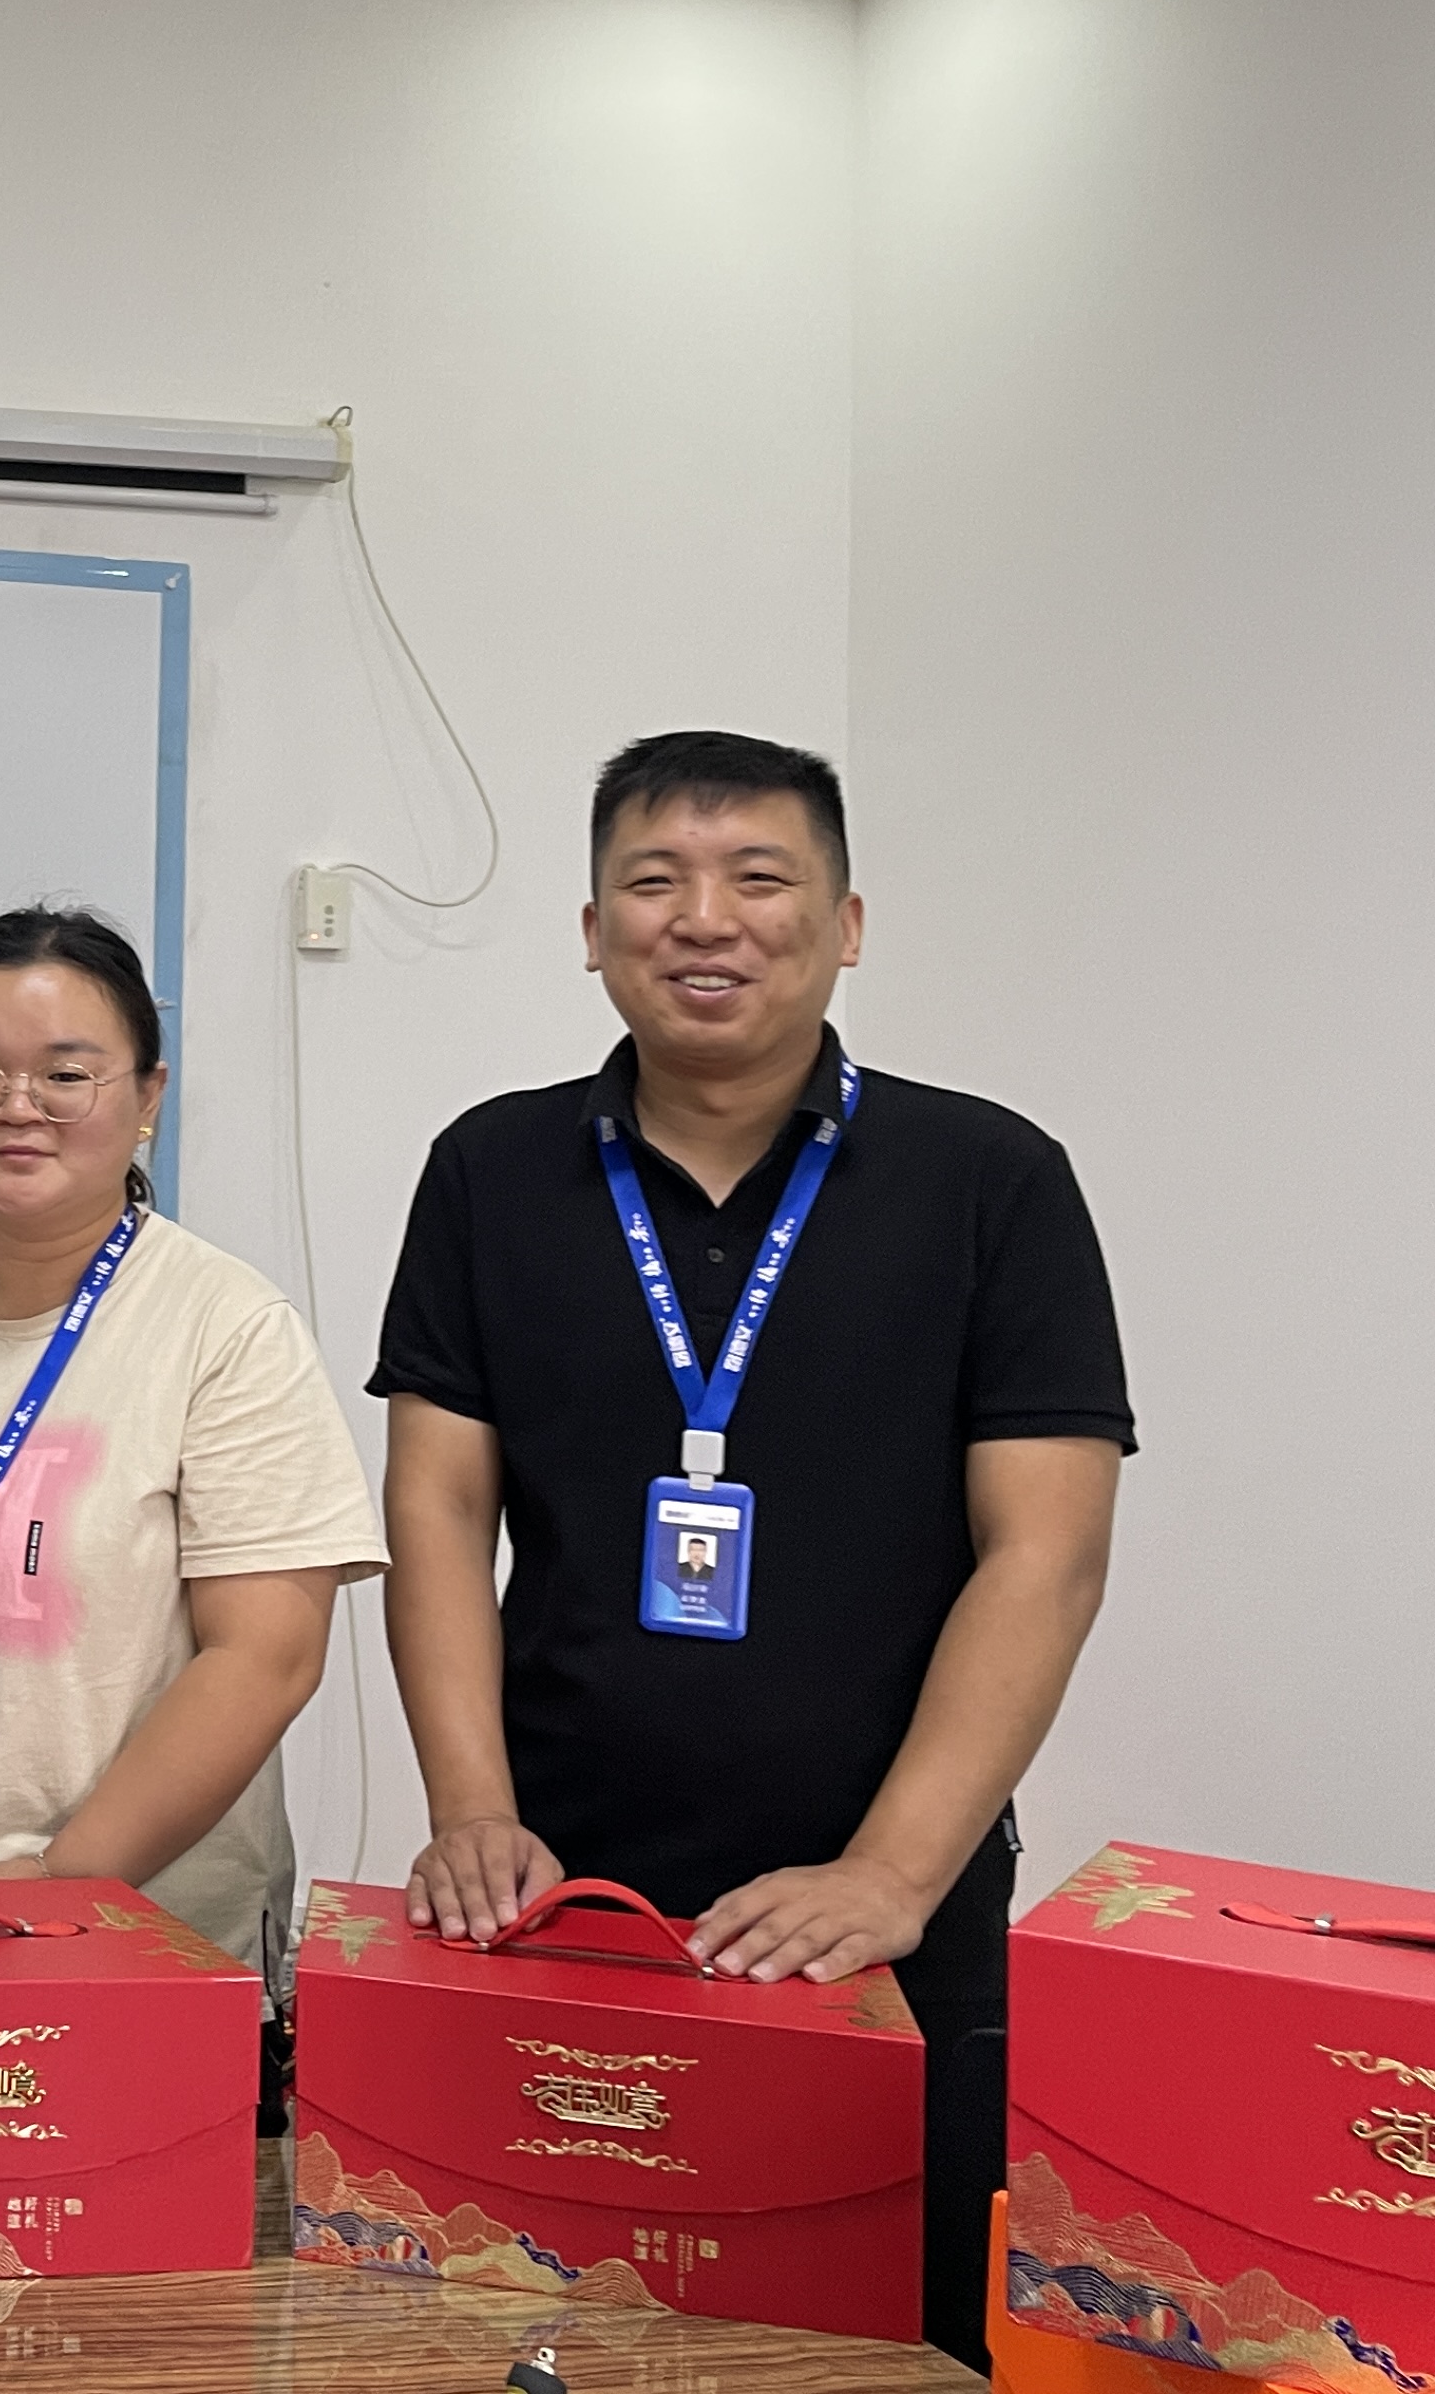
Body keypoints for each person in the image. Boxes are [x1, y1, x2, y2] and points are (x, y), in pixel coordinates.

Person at [377, 730, 1128, 2366]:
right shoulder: (490, 1169)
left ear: (844, 924)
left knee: (881, 2334)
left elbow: (1046, 1555)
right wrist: (473, 1809)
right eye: (654, 881)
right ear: (593, 929)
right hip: (560, 1893)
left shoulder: (989, 1179)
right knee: (542, 2316)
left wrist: (892, 1874)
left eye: (758, 877)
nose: (704, 917)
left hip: (888, 1911)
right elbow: (434, 1505)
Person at [0, 905, 384, 1991]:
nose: (16, 1105)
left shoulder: (225, 1327)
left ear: (148, 1097)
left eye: (66, 1075)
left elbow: (266, 1654)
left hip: (146, 1933)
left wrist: (58, 1880)